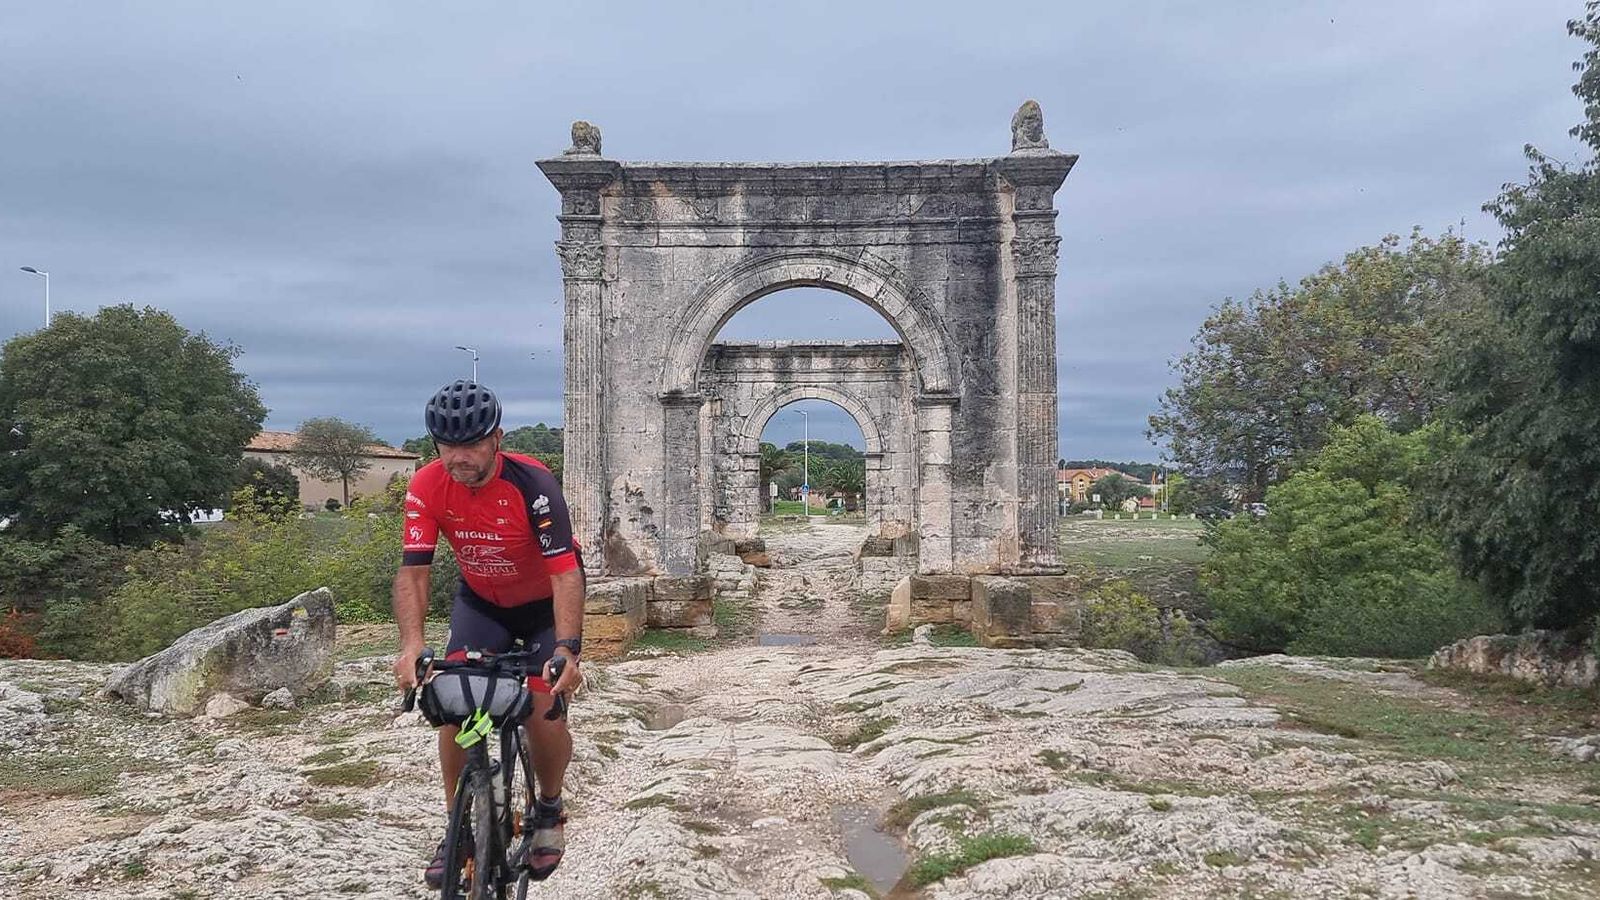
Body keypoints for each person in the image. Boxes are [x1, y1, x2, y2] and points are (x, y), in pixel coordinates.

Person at [390, 380, 584, 888]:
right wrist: (411, 645)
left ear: (496, 437)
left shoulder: (533, 483)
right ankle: (458, 826)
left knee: (542, 706)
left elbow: (566, 572)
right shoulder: (426, 485)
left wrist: (567, 649)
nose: (460, 457)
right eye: (448, 446)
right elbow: (414, 571)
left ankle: (548, 807)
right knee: (455, 702)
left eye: (472, 443)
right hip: (483, 605)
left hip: (544, 607)